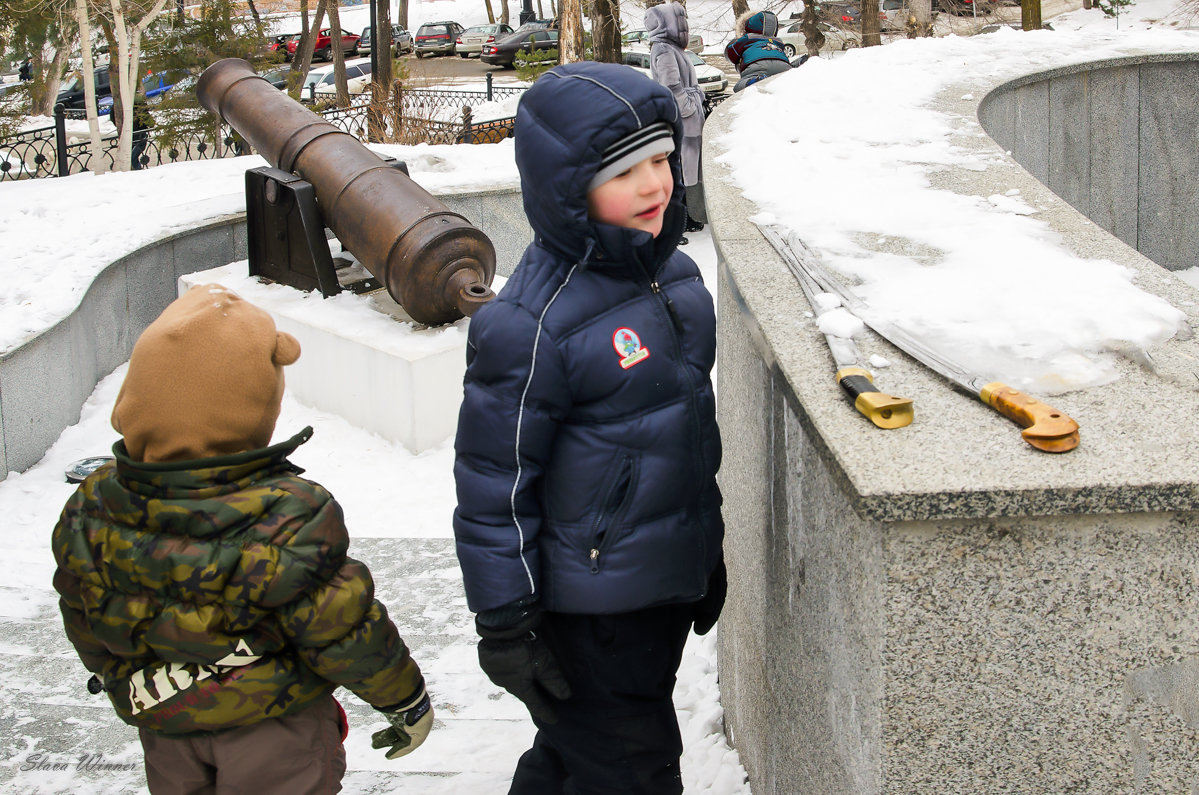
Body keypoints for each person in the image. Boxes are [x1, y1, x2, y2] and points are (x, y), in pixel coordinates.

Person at [452, 61, 726, 795]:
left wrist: (703, 548)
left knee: (576, 754)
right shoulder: (529, 325)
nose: (653, 185)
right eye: (623, 169)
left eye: (661, 158)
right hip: (586, 610)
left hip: (656, 588)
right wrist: (504, 619)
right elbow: (492, 486)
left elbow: (685, 437)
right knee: (632, 771)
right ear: (564, 188)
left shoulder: (676, 280)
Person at [51, 285, 434, 794]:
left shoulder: (94, 505)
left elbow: (80, 611)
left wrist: (128, 679)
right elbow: (341, 626)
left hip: (165, 723)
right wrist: (403, 700)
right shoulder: (286, 514)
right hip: (276, 731)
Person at [645, 0, 708, 238]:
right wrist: (689, 108)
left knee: (688, 169)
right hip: (682, 121)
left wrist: (696, 96)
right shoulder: (663, 49)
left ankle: (690, 216)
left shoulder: (672, 49)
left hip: (687, 121)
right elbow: (671, 86)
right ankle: (680, 221)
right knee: (680, 170)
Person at [725, 9, 794, 92]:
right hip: (783, 66)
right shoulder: (778, 40)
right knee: (785, 80)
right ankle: (796, 68)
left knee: (738, 87)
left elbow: (732, 53)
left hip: (758, 66)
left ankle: (753, 81)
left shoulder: (748, 37)